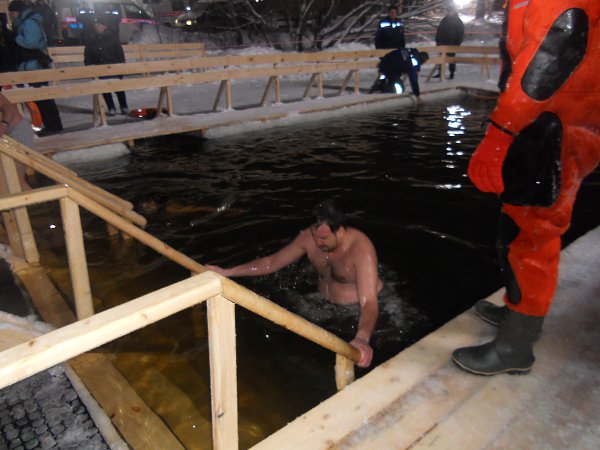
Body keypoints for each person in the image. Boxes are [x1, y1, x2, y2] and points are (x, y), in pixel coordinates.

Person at [452, 0, 599, 376]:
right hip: (549, 121)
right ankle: (519, 311)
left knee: (532, 233)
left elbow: (550, 54)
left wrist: (501, 131)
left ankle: (516, 346)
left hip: (553, 126)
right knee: (519, 221)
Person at [206, 199, 383, 368]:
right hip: (322, 305)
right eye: (314, 235)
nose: (317, 242)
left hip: (356, 313)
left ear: (341, 231)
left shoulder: (361, 250)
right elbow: (272, 262)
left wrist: (362, 338)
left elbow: (369, 302)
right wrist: (228, 272)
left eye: (323, 238)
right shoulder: (309, 238)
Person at [8, 0, 63, 136]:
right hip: (32, 65)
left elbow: (30, 43)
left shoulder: (29, 23)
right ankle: (51, 126)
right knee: (41, 97)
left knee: (43, 97)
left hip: (36, 65)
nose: (11, 15)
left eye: (12, 12)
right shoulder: (25, 21)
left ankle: (54, 127)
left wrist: (15, 37)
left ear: (17, 12)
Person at [83, 17, 128, 116]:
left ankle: (123, 106)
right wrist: (90, 68)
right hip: (99, 68)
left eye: (99, 25)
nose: (97, 27)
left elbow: (119, 53)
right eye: (96, 25)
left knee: (118, 88)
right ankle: (111, 107)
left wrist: (121, 68)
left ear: (104, 26)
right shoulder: (91, 39)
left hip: (113, 67)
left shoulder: (112, 37)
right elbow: (88, 55)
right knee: (105, 89)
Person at [0, 93, 36, 190]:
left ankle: (37, 199)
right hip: (6, 137)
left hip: (18, 133)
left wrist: (3, 125)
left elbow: (9, 109)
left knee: (16, 180)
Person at [434, 7, 464, 79]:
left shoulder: (458, 21)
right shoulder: (444, 20)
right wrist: (438, 41)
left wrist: (457, 43)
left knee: (451, 59)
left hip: (452, 43)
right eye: (448, 11)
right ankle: (440, 72)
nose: (449, 13)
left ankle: (452, 73)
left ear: (453, 12)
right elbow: (439, 31)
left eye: (450, 11)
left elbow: (460, 34)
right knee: (441, 58)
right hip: (442, 43)